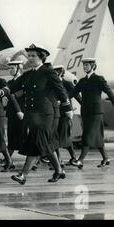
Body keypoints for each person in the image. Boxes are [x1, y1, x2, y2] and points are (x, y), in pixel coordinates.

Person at [11, 44, 73, 185]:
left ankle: (23, 175)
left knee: (39, 141)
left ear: (41, 57)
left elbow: (61, 90)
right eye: (29, 56)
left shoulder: (48, 72)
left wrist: (67, 107)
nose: (30, 58)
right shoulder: (29, 73)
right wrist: (3, 91)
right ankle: (58, 170)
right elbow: (13, 85)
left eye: (33, 56)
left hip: (46, 114)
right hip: (33, 115)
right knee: (37, 143)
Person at [69, 58, 114, 169]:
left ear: (93, 66)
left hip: (96, 112)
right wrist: (62, 100)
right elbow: (73, 93)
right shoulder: (82, 81)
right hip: (86, 112)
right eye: (84, 65)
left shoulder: (99, 79)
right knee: (97, 136)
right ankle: (106, 158)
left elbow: (108, 91)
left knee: (88, 135)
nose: (85, 67)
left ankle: (80, 160)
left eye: (87, 65)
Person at [53, 65, 80, 165]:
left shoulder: (67, 84)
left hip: (65, 114)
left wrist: (84, 106)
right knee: (55, 136)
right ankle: (59, 160)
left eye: (56, 71)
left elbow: (77, 96)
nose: (54, 73)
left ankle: (73, 157)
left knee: (64, 136)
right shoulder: (52, 84)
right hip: (55, 114)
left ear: (60, 72)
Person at [5, 61, 26, 162]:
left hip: (21, 112)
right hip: (12, 112)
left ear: (19, 69)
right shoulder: (10, 82)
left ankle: (34, 160)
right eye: (10, 68)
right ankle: (8, 159)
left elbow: (24, 93)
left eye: (12, 68)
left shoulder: (24, 81)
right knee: (12, 135)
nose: (10, 70)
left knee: (22, 135)